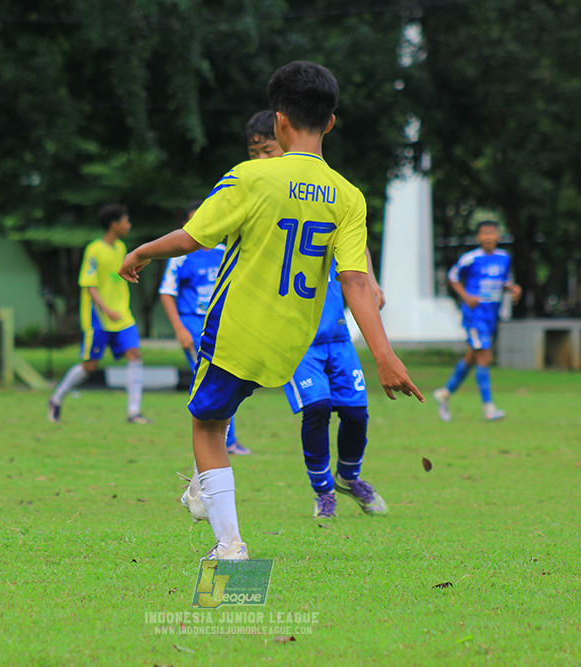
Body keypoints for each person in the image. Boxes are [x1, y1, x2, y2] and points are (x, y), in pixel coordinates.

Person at [119, 61, 423, 560]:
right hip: (291, 343)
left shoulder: (250, 177)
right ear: (329, 122)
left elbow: (194, 237)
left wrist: (142, 252)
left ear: (278, 121)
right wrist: (385, 356)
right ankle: (206, 486)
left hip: (235, 328)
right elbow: (355, 282)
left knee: (206, 427)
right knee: (220, 420)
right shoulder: (348, 196)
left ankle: (229, 543)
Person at [245, 110, 389, 520]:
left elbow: (354, 240)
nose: (260, 159)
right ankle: (322, 490)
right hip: (296, 337)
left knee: (357, 413)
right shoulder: (259, 195)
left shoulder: (324, 189)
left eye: (267, 149)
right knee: (318, 408)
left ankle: (349, 476)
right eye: (253, 153)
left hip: (337, 332)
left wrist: (371, 281)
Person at [158, 200, 251, 456]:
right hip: (193, 324)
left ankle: (220, 439)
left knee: (225, 378)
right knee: (208, 379)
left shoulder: (224, 252)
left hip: (221, 325)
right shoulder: (181, 256)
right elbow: (167, 292)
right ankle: (223, 441)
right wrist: (179, 328)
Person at [48, 203, 149, 425]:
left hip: (122, 315)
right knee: (90, 366)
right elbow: (89, 285)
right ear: (114, 225)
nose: (129, 225)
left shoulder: (122, 247)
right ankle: (56, 398)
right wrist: (106, 309)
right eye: (126, 221)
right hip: (100, 318)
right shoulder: (94, 249)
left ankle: (134, 412)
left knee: (135, 355)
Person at [433, 220, 522, 422]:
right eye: (485, 233)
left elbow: (502, 281)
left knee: (471, 358)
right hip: (475, 315)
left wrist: (512, 288)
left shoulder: (503, 258)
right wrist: (466, 297)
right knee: (485, 357)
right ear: (479, 237)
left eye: (492, 233)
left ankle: (444, 394)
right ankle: (489, 408)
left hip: (492, 314)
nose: (488, 237)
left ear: (498, 236)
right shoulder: (470, 258)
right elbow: (452, 276)